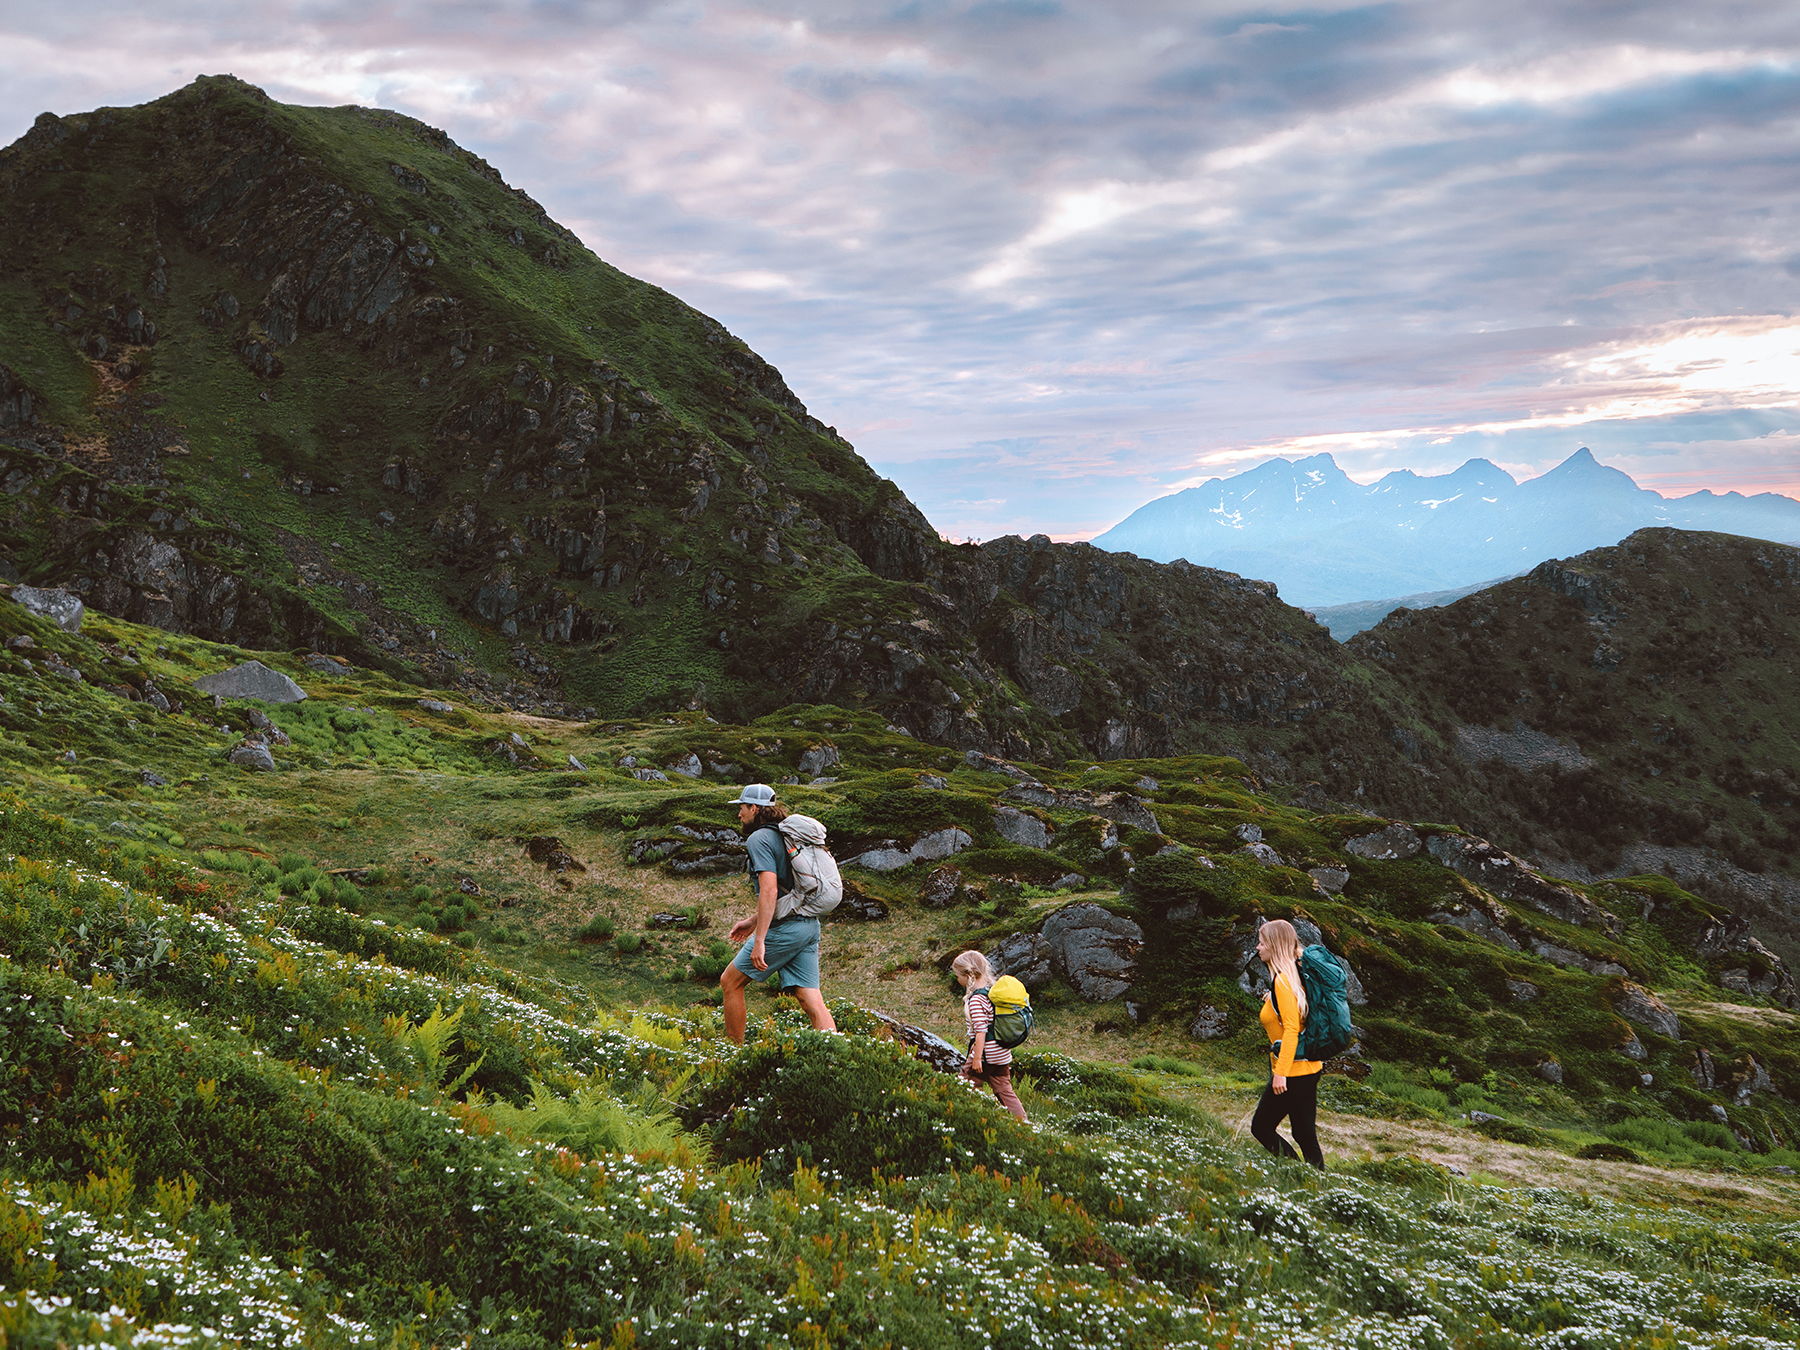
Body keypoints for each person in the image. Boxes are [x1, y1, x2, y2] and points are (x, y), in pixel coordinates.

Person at [719, 784, 836, 1043]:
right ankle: (834, 1054)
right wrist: (752, 922)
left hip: (786, 928)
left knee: (730, 982)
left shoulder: (759, 838)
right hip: (807, 925)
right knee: (810, 999)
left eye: (741, 808)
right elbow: (788, 893)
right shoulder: (785, 835)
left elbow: (770, 891)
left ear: (754, 808)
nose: (739, 815)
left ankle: (733, 1052)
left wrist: (759, 940)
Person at [1250, 918, 1324, 1169]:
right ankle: (1315, 1181)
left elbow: (1292, 1028)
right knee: (1304, 1135)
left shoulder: (1283, 981)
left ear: (1274, 945)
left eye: (1261, 943)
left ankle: (1297, 1173)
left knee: (1261, 1127)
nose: (1258, 948)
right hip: (1308, 1068)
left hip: (1291, 1071)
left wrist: (1280, 1074)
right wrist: (1273, 999)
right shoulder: (1294, 973)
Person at [950, 950, 1028, 1121]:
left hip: (986, 1053)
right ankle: (1023, 1122)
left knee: (962, 1086)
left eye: (958, 975)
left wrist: (977, 1058)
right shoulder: (990, 993)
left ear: (968, 974)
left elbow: (981, 1030)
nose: (957, 979)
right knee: (1004, 1089)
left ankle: (963, 1120)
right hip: (1002, 1052)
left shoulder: (976, 1000)